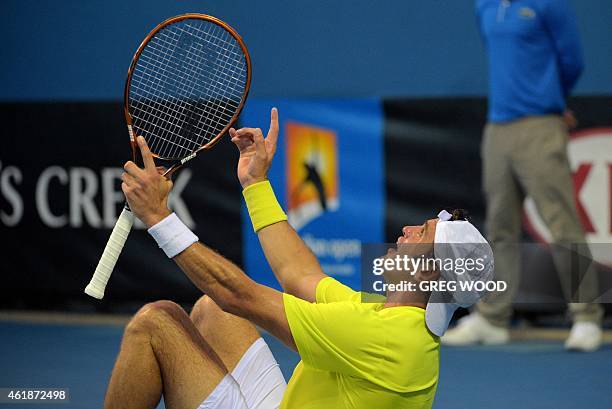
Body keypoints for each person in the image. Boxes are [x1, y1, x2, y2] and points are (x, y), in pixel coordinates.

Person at [104, 108, 494, 409]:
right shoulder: (389, 315)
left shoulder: (385, 337)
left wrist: (158, 217)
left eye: (421, 234)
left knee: (156, 322)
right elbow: (298, 274)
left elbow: (239, 294)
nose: (406, 231)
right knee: (214, 311)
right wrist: (256, 183)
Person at [443, 0, 603, 351]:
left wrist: (552, 101)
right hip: (498, 129)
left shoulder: (550, 4)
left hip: (541, 126)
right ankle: (493, 319)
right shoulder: (484, 6)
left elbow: (572, 61)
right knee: (500, 228)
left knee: (562, 227)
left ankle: (587, 317)